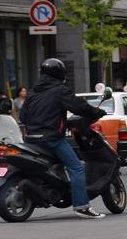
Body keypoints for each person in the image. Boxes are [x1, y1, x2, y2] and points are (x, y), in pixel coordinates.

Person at [19, 59, 106, 219]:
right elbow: (79, 107)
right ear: (60, 73)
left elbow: (22, 116)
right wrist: (97, 112)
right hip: (51, 139)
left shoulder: (32, 92)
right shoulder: (60, 90)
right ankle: (82, 206)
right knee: (77, 167)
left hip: (30, 139)